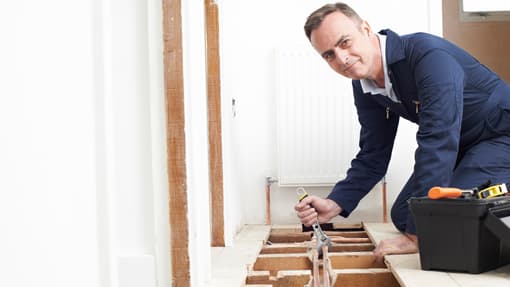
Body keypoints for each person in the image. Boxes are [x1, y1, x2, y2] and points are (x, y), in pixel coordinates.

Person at [294, 2, 510, 260]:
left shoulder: (428, 56)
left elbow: (438, 141)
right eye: (329, 54)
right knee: (404, 215)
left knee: (444, 223)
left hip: (501, 136)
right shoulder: (364, 84)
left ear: (365, 28)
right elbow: (373, 155)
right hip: (465, 146)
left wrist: (418, 237)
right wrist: (335, 203)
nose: (342, 59)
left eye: (345, 42)